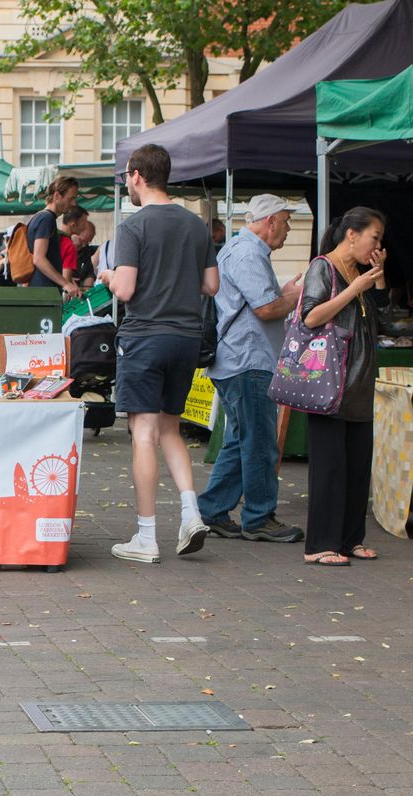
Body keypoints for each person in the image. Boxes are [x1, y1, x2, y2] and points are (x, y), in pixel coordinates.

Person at [107, 144, 219, 564]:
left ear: (137, 175)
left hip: (145, 337)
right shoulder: (195, 225)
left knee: (143, 434)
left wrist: (109, 275)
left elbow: (126, 289)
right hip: (186, 339)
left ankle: (146, 536)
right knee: (171, 429)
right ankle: (191, 513)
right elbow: (212, 286)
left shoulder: (133, 227)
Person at [199, 195, 304, 544]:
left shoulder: (241, 250)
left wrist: (284, 295)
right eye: (287, 221)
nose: (289, 229)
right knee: (259, 442)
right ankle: (259, 516)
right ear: (270, 221)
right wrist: (296, 296)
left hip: (239, 360)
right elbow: (266, 308)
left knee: (239, 439)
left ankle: (213, 509)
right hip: (247, 360)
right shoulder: (248, 253)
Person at [300, 207, 388, 566]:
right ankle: (319, 544)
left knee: (356, 466)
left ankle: (351, 539)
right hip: (330, 384)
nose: (378, 244)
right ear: (352, 234)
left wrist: (377, 279)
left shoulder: (361, 273)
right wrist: (355, 288)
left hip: (359, 385)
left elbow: (378, 322)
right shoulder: (324, 267)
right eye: (375, 236)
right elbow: (311, 316)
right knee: (329, 467)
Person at [27, 177, 82, 298]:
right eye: (71, 198)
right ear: (57, 196)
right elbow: (38, 258)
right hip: (43, 292)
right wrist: (65, 283)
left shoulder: (39, 217)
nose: (73, 203)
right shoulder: (47, 219)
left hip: (39, 290)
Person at [59, 205, 89, 283]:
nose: (85, 228)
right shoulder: (69, 246)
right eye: (83, 224)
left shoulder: (52, 237)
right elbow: (66, 280)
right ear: (73, 225)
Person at [73, 220, 98, 288]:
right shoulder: (62, 244)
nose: (86, 243)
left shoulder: (85, 250)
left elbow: (89, 272)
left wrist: (87, 289)